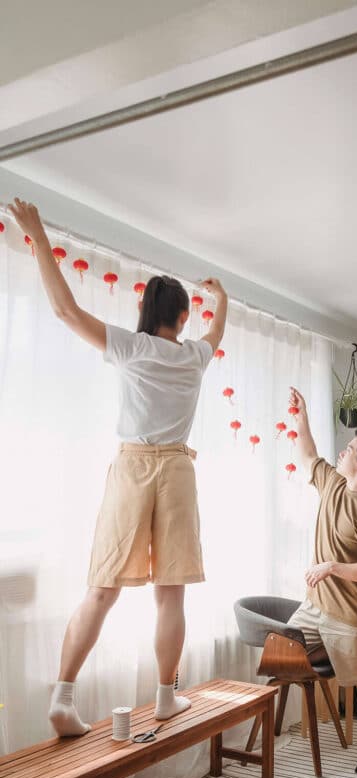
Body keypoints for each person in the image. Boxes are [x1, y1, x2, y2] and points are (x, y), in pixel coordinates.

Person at [8, 198, 228, 737]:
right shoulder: (195, 357)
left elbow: (63, 310)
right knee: (171, 591)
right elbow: (218, 329)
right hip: (176, 470)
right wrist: (222, 297)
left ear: (146, 312)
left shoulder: (130, 347)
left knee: (102, 586)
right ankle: (166, 697)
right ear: (182, 317)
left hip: (132, 467)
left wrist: (36, 232)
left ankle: (63, 694)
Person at [287, 386, 357, 774]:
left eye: (350, 449)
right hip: (313, 607)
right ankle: (299, 731)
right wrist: (301, 417)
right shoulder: (333, 483)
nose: (343, 452)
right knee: (281, 652)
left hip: (349, 615)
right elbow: (308, 455)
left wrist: (331, 567)